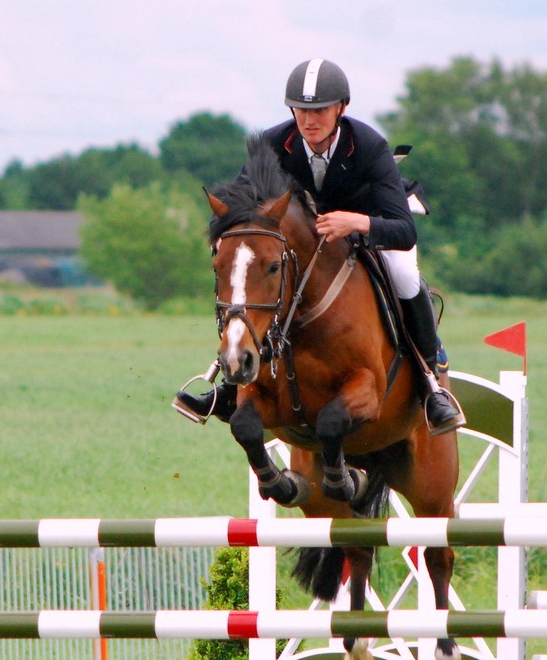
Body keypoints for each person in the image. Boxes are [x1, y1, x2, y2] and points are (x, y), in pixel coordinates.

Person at [174, 57, 464, 435]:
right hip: (310, 242)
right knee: (257, 283)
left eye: (320, 110)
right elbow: (239, 210)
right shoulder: (273, 144)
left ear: (341, 108)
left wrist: (357, 222)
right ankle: (227, 387)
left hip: (371, 224)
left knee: (405, 275)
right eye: (301, 110)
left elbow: (403, 231)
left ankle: (430, 380)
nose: (309, 120)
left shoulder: (370, 146)